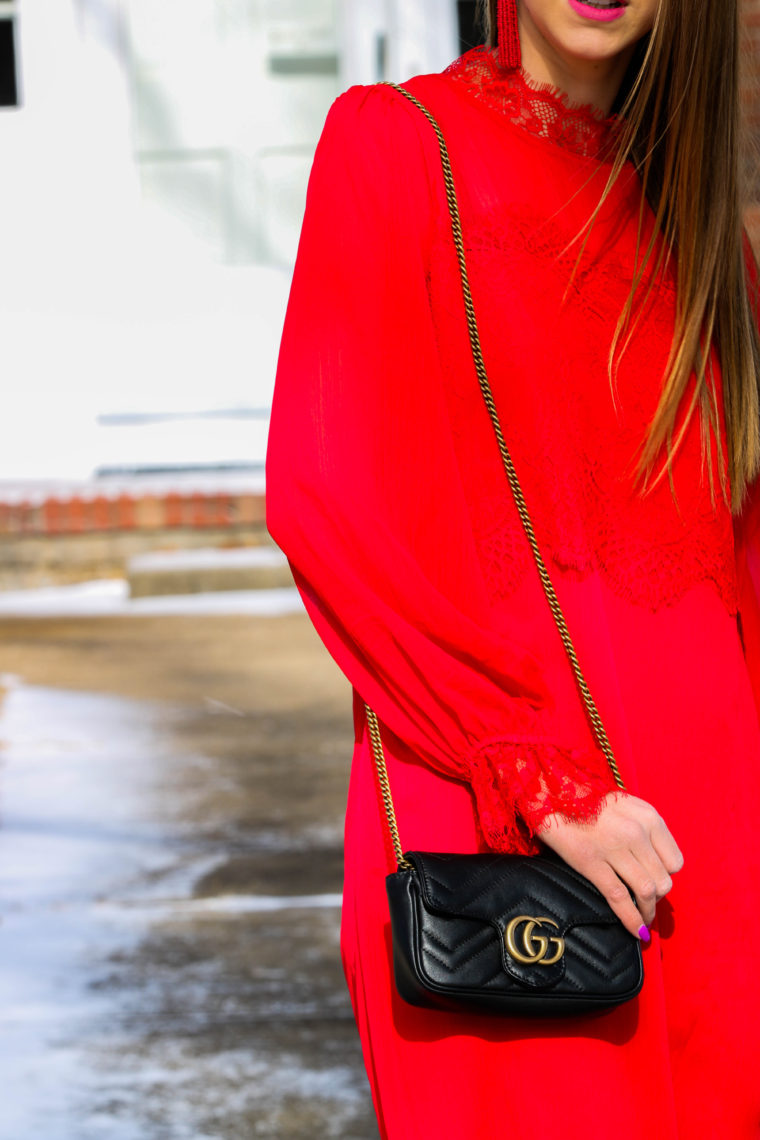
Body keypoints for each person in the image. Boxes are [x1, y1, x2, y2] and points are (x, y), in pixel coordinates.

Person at [266, 0, 760, 1135]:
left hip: (712, 857)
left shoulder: (697, 228)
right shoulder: (394, 147)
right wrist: (543, 778)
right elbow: (326, 496)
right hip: (504, 830)